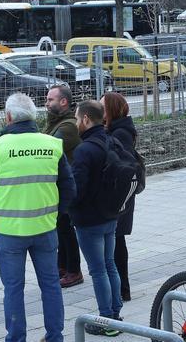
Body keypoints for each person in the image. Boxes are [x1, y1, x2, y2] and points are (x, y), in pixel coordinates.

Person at [0, 93, 76, 342]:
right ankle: (55, 336)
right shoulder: (51, 144)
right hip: (45, 228)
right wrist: (55, 213)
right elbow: (69, 188)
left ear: (9, 117)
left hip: (10, 231)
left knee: (13, 289)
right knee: (51, 285)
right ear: (33, 116)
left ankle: (17, 338)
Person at [70, 100, 123, 336]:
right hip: (111, 214)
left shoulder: (84, 150)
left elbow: (77, 189)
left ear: (86, 119)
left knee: (98, 269)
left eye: (76, 117)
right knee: (109, 265)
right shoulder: (111, 140)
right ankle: (116, 312)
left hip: (89, 219)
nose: (75, 122)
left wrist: (67, 207)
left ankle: (107, 320)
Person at [100, 93, 140, 303]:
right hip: (119, 193)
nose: (99, 110)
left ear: (112, 110)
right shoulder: (116, 129)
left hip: (120, 193)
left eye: (102, 107)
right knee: (115, 238)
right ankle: (119, 286)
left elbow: (122, 167)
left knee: (117, 239)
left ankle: (123, 288)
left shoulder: (121, 132)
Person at [44, 85, 84, 289]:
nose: (47, 103)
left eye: (51, 99)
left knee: (66, 229)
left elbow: (48, 148)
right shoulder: (56, 123)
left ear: (63, 102)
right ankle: (62, 266)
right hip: (57, 185)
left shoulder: (67, 126)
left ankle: (74, 270)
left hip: (66, 186)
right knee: (60, 227)